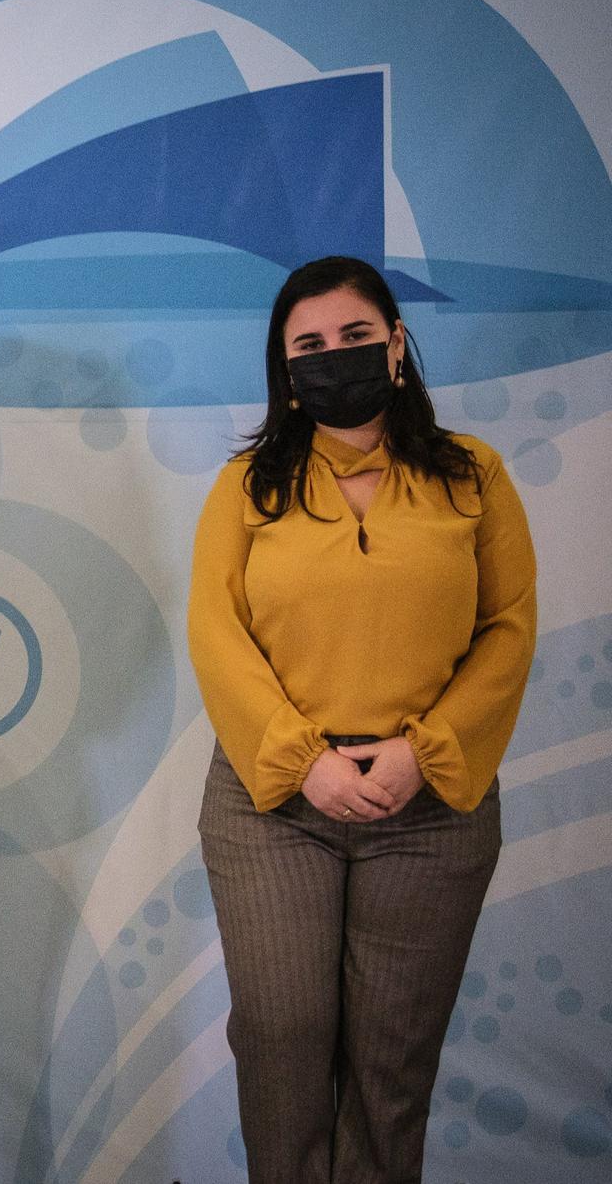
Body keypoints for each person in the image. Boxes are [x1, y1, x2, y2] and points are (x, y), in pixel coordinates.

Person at [188, 255, 536, 1182]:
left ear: (397, 347)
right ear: (285, 368)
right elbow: (216, 633)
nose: (332, 356)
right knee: (282, 1043)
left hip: (429, 811)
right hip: (273, 807)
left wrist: (425, 754)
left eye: (354, 336)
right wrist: (304, 761)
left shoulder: (475, 477)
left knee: (391, 1063)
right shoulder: (246, 486)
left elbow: (507, 631)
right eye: (308, 344)